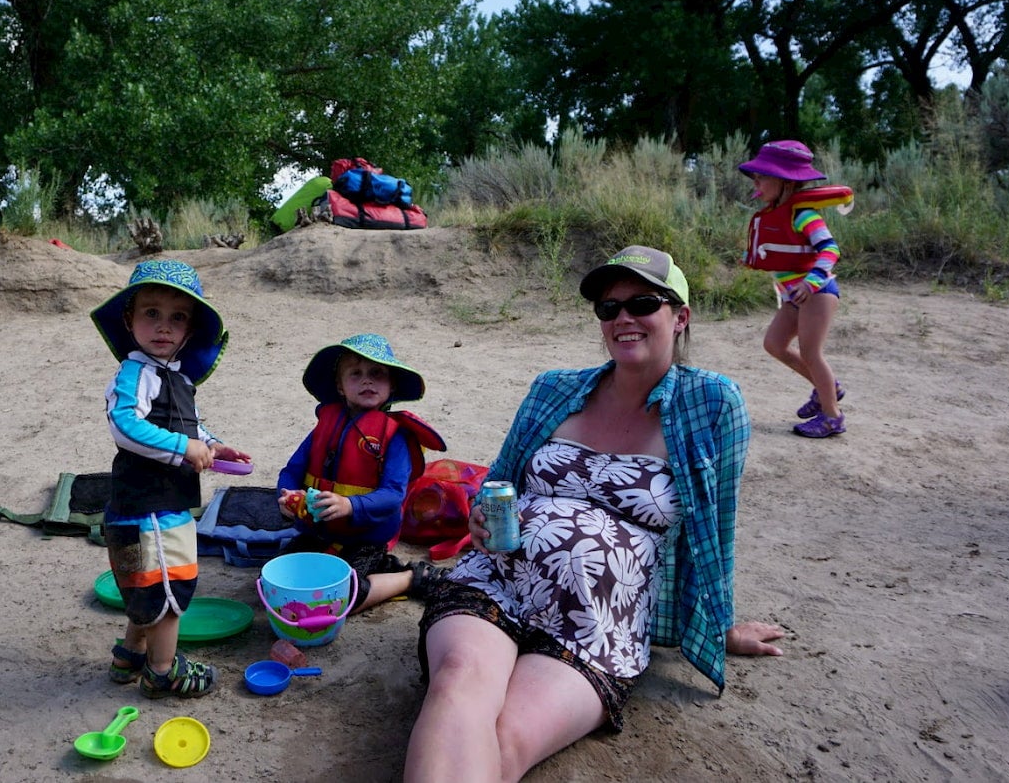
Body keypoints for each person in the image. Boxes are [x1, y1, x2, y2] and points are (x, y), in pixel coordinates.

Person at [404, 246, 784, 783]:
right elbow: (499, 481)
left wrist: (716, 626)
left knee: (507, 741)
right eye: (609, 308)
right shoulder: (554, 389)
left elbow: (717, 527)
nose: (624, 317)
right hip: (497, 582)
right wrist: (480, 520)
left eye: (643, 303)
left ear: (680, 317)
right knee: (457, 682)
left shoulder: (713, 402)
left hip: (598, 624)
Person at [90, 259, 250, 698]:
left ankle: (131, 655)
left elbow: (190, 426)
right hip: (148, 507)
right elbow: (124, 424)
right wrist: (184, 449)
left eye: (177, 317)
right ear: (129, 320)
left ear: (189, 329)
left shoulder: (175, 377)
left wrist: (213, 446)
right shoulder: (134, 372)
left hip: (161, 505)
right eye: (151, 313)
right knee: (170, 587)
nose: (164, 327)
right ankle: (163, 670)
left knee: (148, 585)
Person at [276, 333, 449, 613]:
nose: (366, 380)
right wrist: (285, 496)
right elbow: (291, 471)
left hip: (365, 538)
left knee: (342, 598)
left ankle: (407, 577)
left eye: (377, 373)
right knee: (276, 583)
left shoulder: (396, 437)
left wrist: (349, 505)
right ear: (340, 387)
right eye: (355, 373)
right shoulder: (325, 425)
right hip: (317, 532)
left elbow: (393, 496)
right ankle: (372, 568)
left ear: (392, 385)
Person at [739, 140, 849, 438]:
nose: (757, 182)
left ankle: (832, 416)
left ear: (785, 181)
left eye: (762, 176)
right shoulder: (778, 212)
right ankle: (828, 388)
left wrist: (811, 281)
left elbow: (830, 249)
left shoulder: (804, 214)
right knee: (774, 344)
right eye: (756, 177)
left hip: (818, 292)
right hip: (794, 295)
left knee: (811, 352)